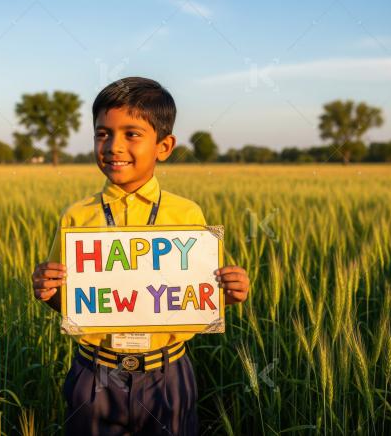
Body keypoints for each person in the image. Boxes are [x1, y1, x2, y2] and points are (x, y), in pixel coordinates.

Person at [32, 76, 250, 435]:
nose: (113, 146)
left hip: (168, 375)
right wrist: (48, 290)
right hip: (95, 373)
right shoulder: (77, 217)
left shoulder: (187, 215)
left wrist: (229, 294)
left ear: (164, 146)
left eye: (131, 134)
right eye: (103, 134)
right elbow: (69, 303)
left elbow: (198, 299)